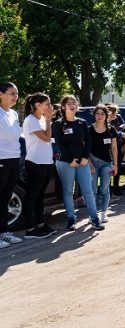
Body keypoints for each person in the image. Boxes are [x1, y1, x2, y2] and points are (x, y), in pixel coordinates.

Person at [53, 95, 104, 231]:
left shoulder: (81, 122)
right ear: (63, 107)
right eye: (68, 103)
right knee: (68, 191)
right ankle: (71, 219)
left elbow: (88, 141)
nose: (72, 105)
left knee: (88, 191)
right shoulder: (58, 123)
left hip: (83, 162)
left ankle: (94, 219)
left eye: (74, 103)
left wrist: (85, 157)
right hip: (66, 162)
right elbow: (60, 144)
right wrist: (70, 159)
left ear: (77, 106)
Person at [21, 93, 57, 239]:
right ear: (37, 104)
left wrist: (47, 120)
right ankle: (30, 229)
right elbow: (47, 138)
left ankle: (41, 224)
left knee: (40, 196)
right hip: (35, 162)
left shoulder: (42, 119)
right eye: (47, 104)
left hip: (46, 162)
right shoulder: (31, 120)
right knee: (31, 196)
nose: (50, 106)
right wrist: (49, 120)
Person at [0, 82, 23, 247]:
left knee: (5, 197)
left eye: (16, 93)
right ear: (1, 94)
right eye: (12, 93)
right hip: (1, 160)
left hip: (14, 159)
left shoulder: (14, 114)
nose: (15, 96)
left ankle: (4, 233)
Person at [89, 105, 118, 223]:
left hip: (107, 163)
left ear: (106, 116)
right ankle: (92, 215)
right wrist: (90, 164)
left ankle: (103, 213)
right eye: (97, 113)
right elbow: (85, 148)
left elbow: (114, 147)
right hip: (92, 162)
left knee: (105, 189)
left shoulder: (111, 130)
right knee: (92, 190)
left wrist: (115, 164)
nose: (100, 116)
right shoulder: (89, 129)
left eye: (102, 113)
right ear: (94, 115)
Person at [106, 104, 125, 195]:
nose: (113, 114)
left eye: (114, 112)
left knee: (118, 165)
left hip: (120, 145)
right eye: (111, 112)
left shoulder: (119, 117)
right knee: (109, 166)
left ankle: (116, 187)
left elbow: (124, 129)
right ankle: (108, 188)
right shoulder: (105, 120)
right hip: (109, 146)